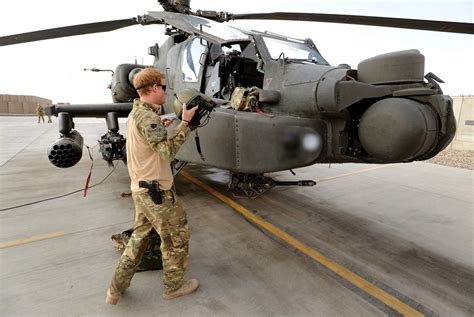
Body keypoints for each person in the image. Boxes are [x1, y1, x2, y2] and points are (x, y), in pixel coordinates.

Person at [106, 67, 199, 305]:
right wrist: (185, 124)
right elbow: (167, 152)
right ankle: (174, 286)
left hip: (141, 188)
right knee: (176, 236)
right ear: (155, 88)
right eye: (164, 88)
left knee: (139, 239)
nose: (166, 93)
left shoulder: (139, 112)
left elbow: (149, 137)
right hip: (156, 192)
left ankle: (115, 289)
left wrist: (162, 121)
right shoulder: (148, 118)